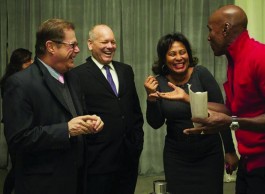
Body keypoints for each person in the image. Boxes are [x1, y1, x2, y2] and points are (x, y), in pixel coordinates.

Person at [159, 5, 265, 194]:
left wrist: (232, 123)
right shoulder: (235, 62)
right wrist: (187, 98)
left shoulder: (264, 58)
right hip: (250, 162)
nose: (208, 37)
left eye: (210, 30)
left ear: (225, 29)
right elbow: (232, 109)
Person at [2, 19, 104, 194]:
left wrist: (90, 122)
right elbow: (18, 139)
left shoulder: (72, 78)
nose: (78, 50)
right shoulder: (20, 83)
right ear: (50, 47)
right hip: (43, 185)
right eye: (72, 45)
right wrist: (66, 130)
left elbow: (75, 118)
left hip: (76, 180)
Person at [144, 32, 239, 194]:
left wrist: (229, 150)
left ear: (188, 54)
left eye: (182, 52)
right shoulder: (158, 82)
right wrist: (151, 99)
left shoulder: (201, 74)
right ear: (164, 59)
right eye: (172, 54)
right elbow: (156, 123)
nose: (179, 58)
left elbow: (222, 112)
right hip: (176, 156)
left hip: (209, 152)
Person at [70, 24, 144, 194]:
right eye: (104, 42)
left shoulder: (126, 70)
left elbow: (135, 111)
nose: (110, 46)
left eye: (113, 42)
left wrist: (137, 143)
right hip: (97, 161)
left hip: (128, 158)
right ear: (90, 44)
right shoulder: (77, 75)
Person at [1, 48, 33, 194]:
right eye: (27, 61)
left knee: (20, 166)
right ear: (19, 63)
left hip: (19, 127)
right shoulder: (13, 81)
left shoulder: (23, 78)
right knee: (18, 167)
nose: (31, 63)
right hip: (15, 128)